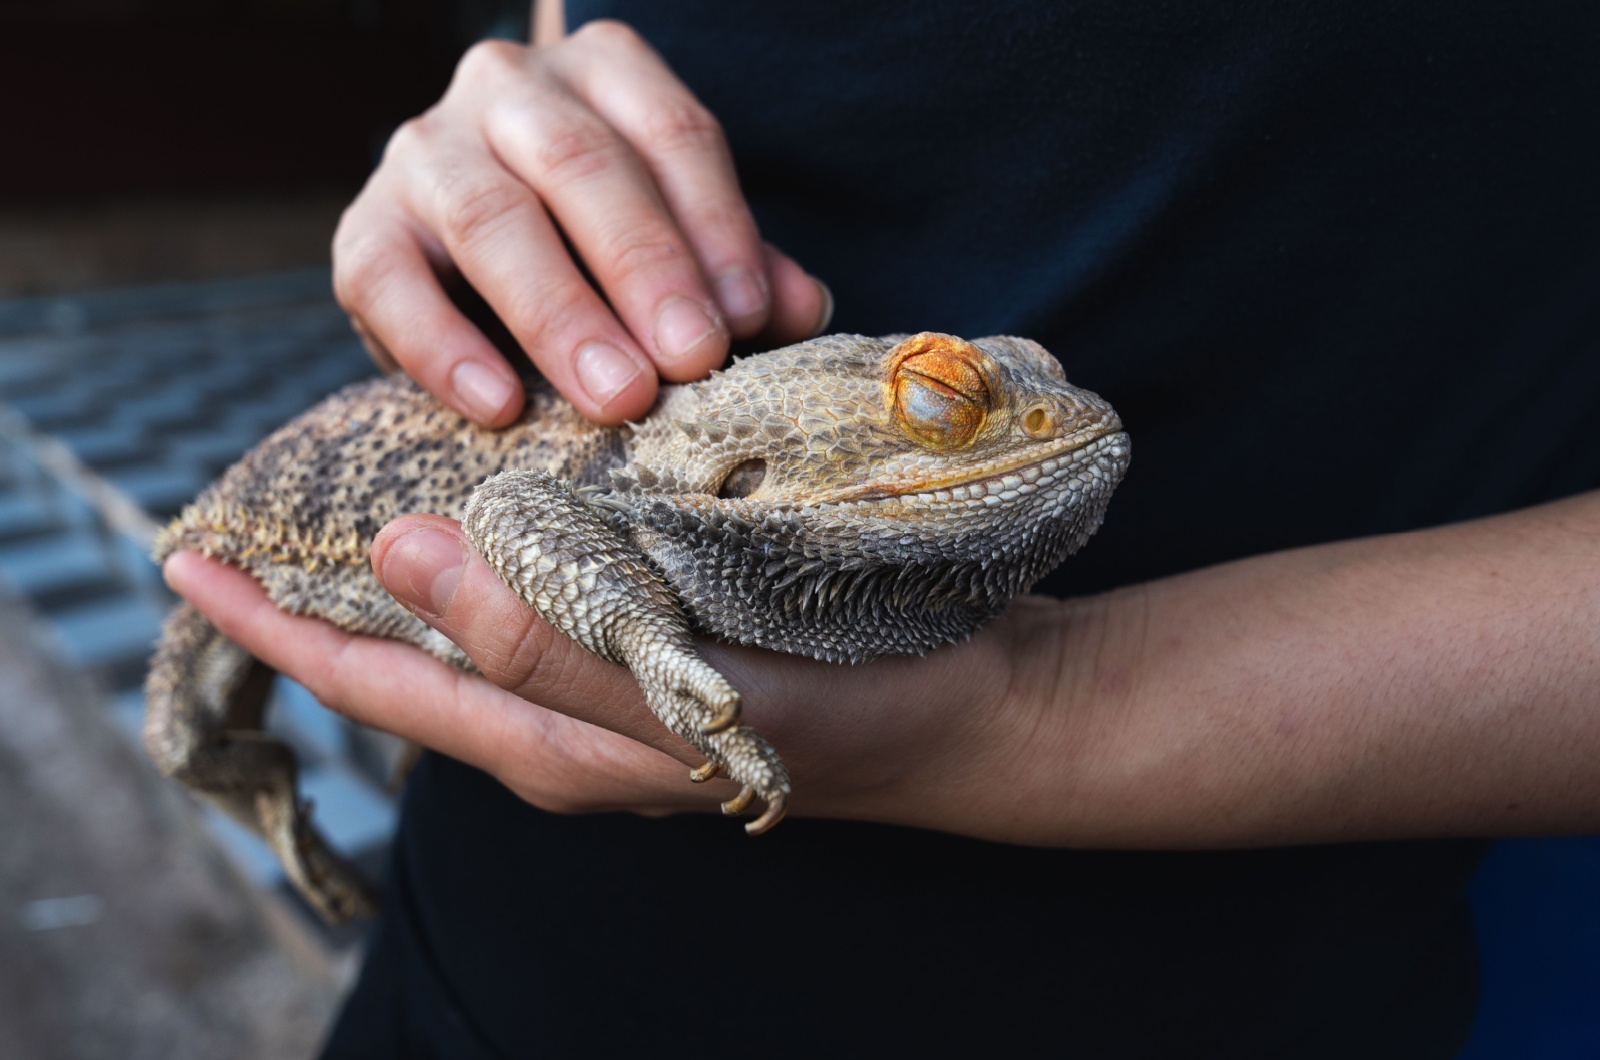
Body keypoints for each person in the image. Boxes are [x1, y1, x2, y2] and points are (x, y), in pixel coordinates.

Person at [164, 3, 1600, 1055]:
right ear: (746, 472)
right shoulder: (654, 494)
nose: (1065, 422)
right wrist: (547, 64)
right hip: (496, 952)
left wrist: (1048, 704)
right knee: (196, 692)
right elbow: (529, 509)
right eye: (949, 397)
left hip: (1250, 985)